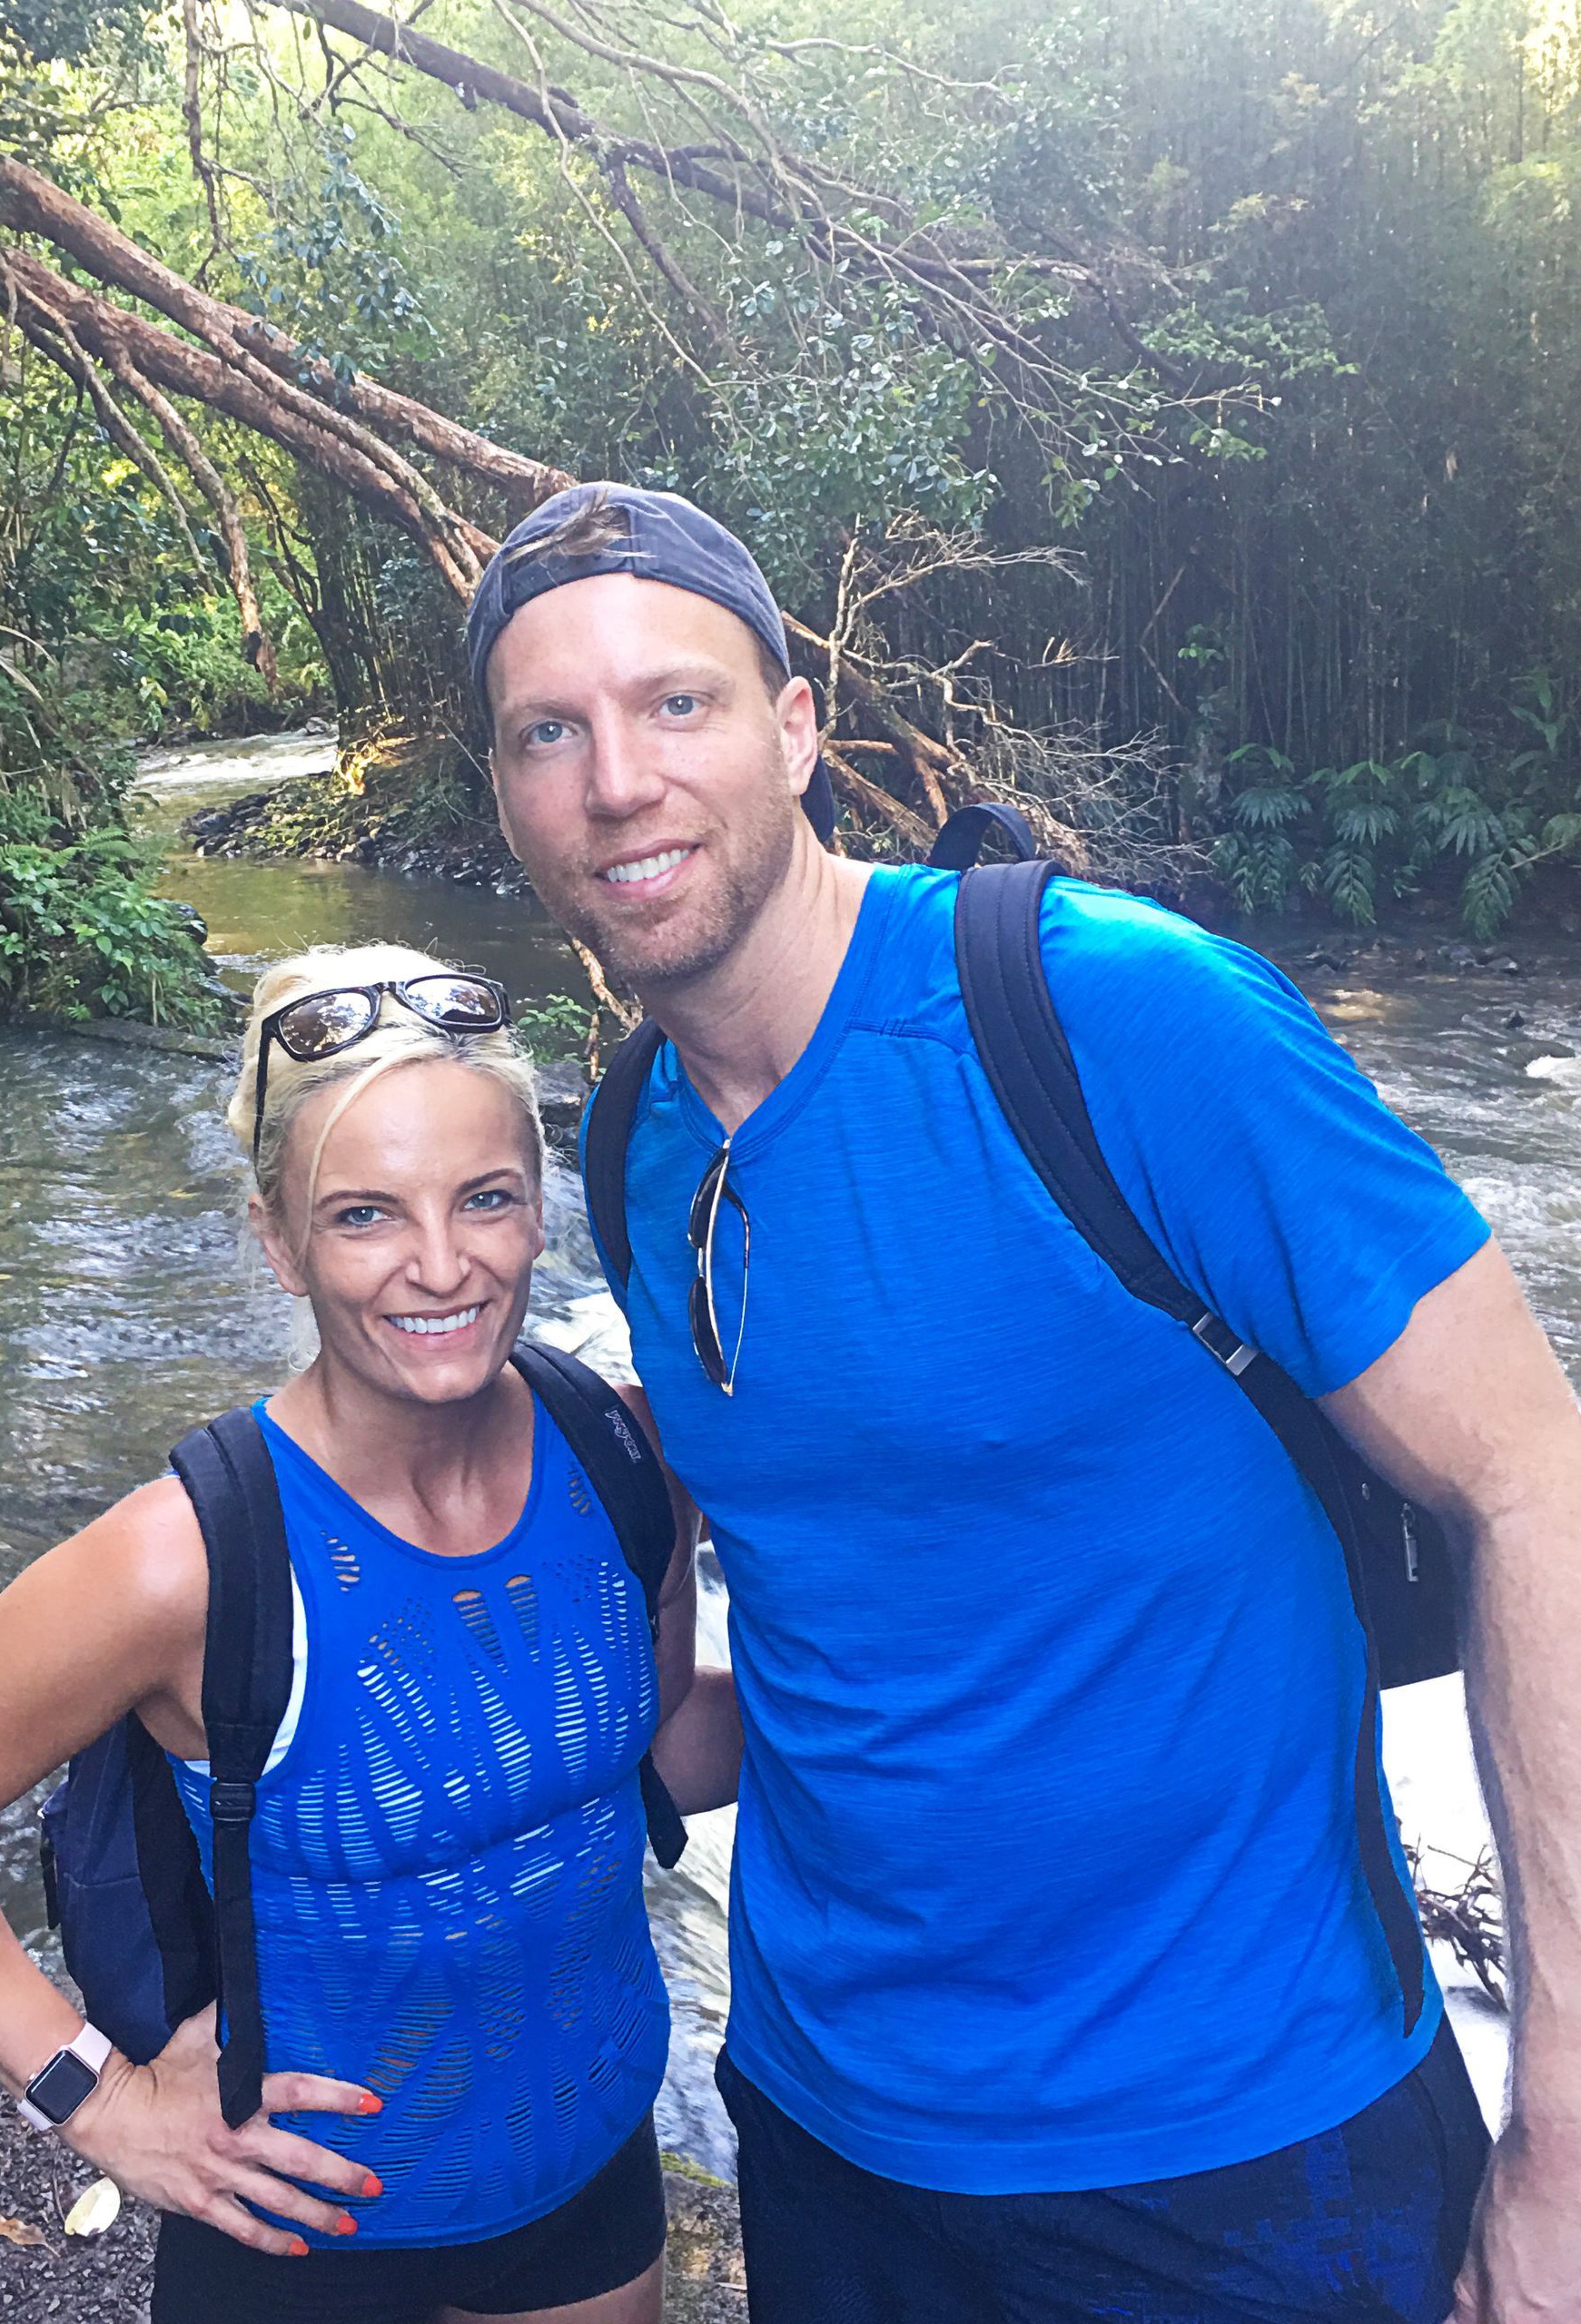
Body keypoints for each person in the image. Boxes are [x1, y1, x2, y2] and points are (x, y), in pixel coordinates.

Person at [469, 483, 1581, 2324]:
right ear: (506, 792)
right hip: (834, 2136)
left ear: (799, 724)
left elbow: (1535, 1483)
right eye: (549, 731)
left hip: (1247, 2148)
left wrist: (1563, 2142)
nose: (617, 779)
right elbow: (860, 1635)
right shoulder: (623, 1140)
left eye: (679, 702)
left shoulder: (1117, 1017)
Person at [0, 939, 739, 2324]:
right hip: (301, 2238)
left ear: (539, 1206)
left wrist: (923, 1686)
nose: (442, 1267)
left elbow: (653, 1751)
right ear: (276, 1241)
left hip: (590, 2171)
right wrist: (102, 2100)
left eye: (486, 1198)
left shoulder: (625, 1452)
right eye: (365, 1215)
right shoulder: (187, 1561)